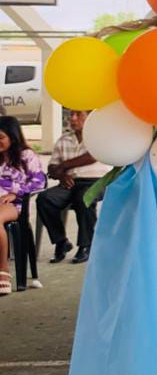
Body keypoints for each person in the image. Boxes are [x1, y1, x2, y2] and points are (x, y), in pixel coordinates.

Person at [37, 110, 109, 265]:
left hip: (95, 181)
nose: (73, 118)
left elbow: (92, 156)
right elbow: (52, 167)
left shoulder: (100, 136)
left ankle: (86, 245)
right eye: (71, 115)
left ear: (90, 116)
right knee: (45, 198)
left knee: (84, 198)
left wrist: (63, 166)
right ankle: (61, 242)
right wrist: (62, 175)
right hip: (69, 182)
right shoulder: (64, 140)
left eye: (78, 114)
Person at [0, 116, 47, 295]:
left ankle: (3, 272)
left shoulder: (26, 156)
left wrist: (16, 193)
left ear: (12, 137)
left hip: (13, 204)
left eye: (1, 137)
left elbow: (39, 182)